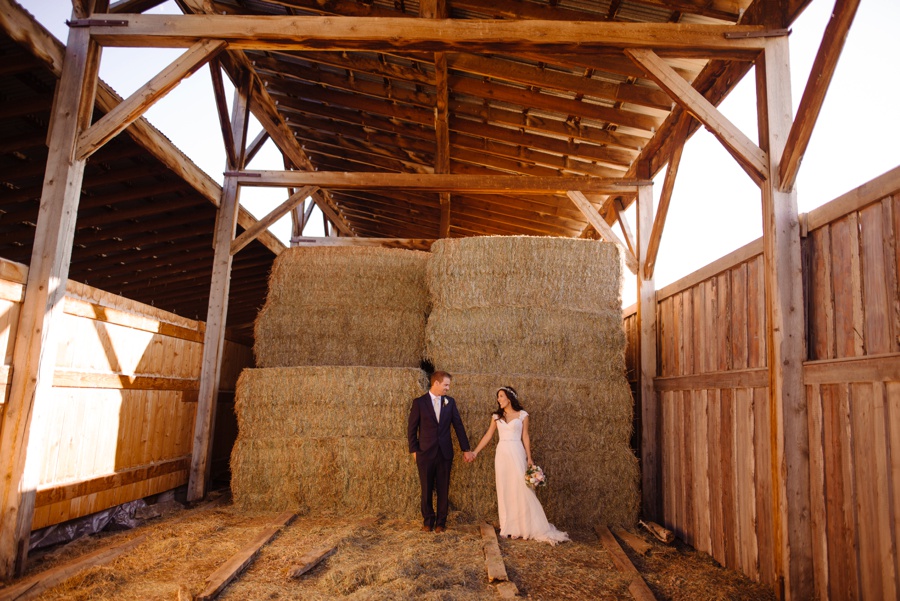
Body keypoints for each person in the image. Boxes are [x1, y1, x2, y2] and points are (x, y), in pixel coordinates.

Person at [471, 386, 569, 544]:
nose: (498, 399)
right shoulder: (496, 416)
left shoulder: (523, 415)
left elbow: (525, 436)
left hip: (517, 451)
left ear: (509, 398)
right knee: (505, 488)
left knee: (520, 488)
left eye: (501, 396)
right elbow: (488, 435)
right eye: (498, 397)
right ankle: (507, 527)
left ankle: (520, 527)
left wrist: (529, 457)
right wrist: (475, 452)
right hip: (502, 453)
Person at [408, 371, 475, 533]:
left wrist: (466, 449)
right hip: (425, 453)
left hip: (445, 453)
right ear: (436, 383)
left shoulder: (450, 402)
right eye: (446, 385)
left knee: (443, 488)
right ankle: (428, 521)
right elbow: (412, 428)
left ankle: (441, 523)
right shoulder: (419, 403)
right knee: (426, 488)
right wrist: (414, 450)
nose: (448, 388)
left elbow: (458, 426)